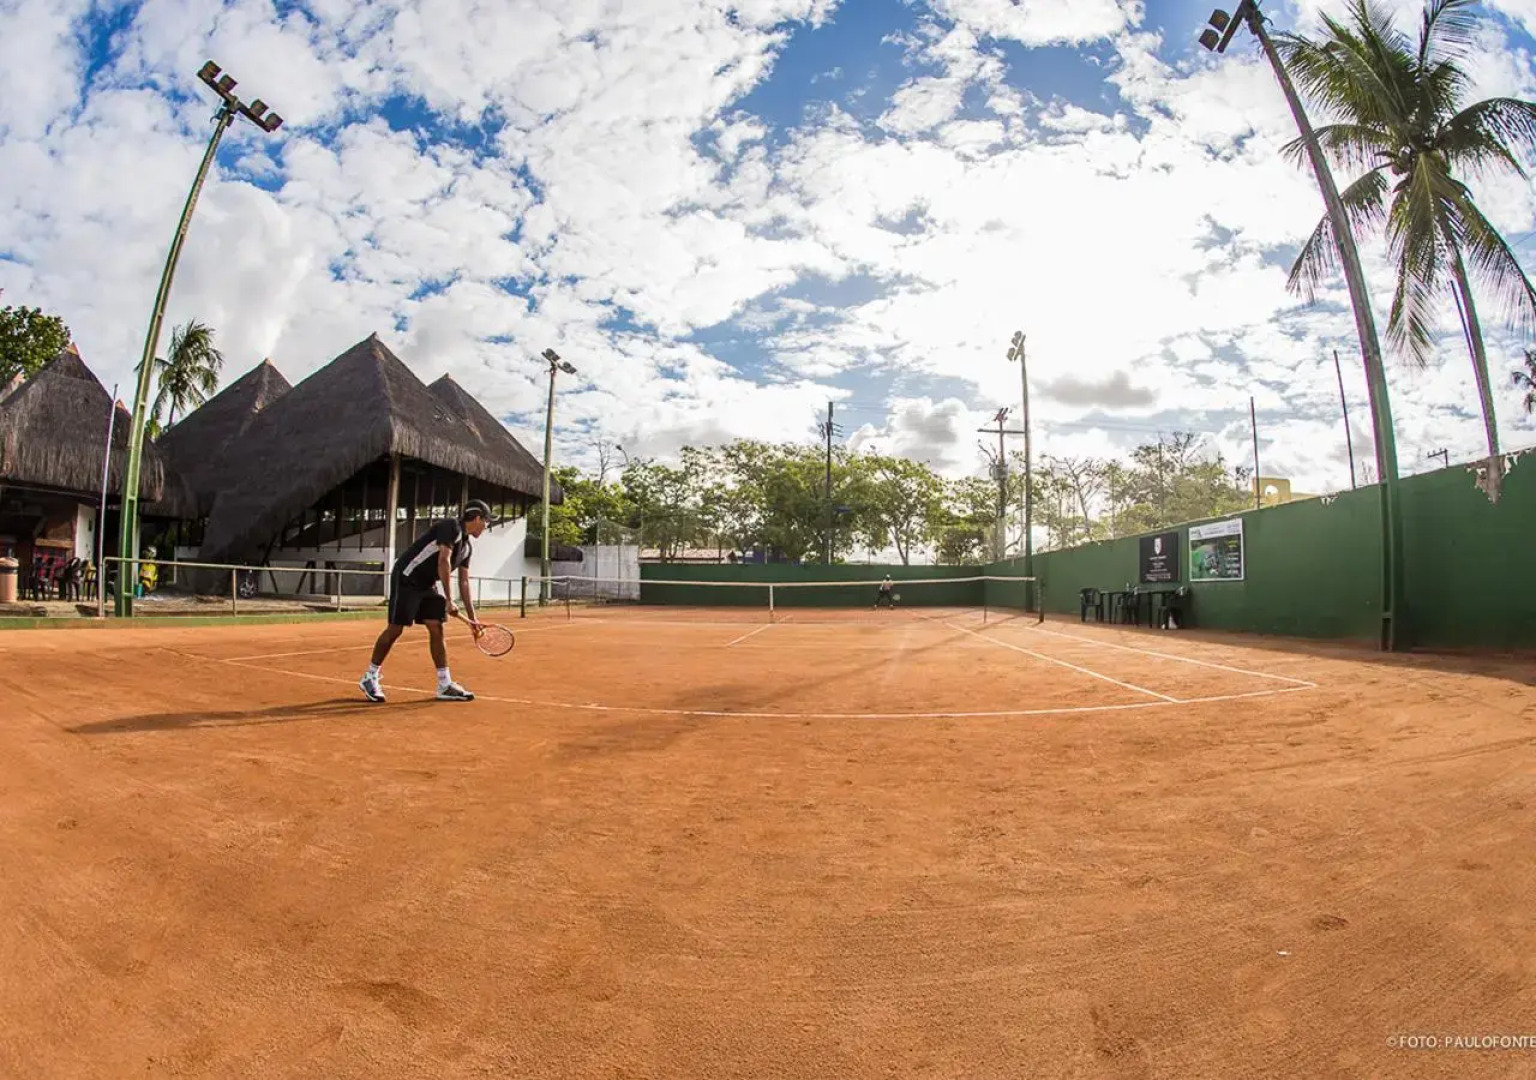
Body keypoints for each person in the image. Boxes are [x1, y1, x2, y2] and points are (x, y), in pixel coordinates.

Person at [360, 500, 491, 703]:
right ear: (477, 518)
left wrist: (474, 619)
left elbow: (464, 582)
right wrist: (448, 599)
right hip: (407, 577)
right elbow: (443, 561)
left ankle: (444, 684)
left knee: (436, 626)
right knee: (396, 628)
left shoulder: (466, 548)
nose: (486, 527)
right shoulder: (451, 527)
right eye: (486, 522)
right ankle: (370, 676)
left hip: (427, 583)